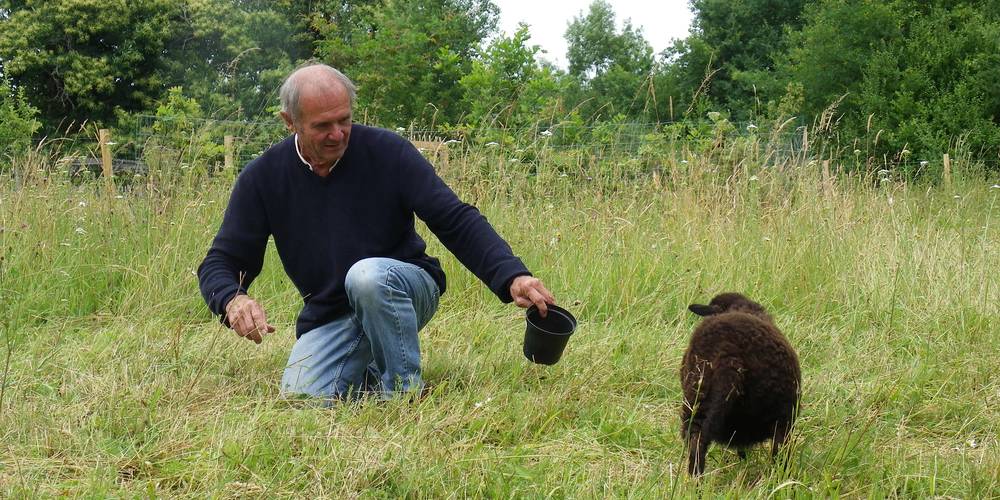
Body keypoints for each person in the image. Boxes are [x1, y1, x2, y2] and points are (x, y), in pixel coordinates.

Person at [197, 63, 555, 401]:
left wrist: (512, 275)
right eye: (323, 126)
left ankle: (403, 393)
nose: (337, 134)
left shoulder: (388, 152)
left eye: (344, 120)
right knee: (301, 396)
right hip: (332, 313)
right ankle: (369, 372)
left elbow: (454, 218)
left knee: (367, 277)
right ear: (290, 122)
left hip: (402, 286)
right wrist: (232, 298)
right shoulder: (263, 178)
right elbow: (222, 260)